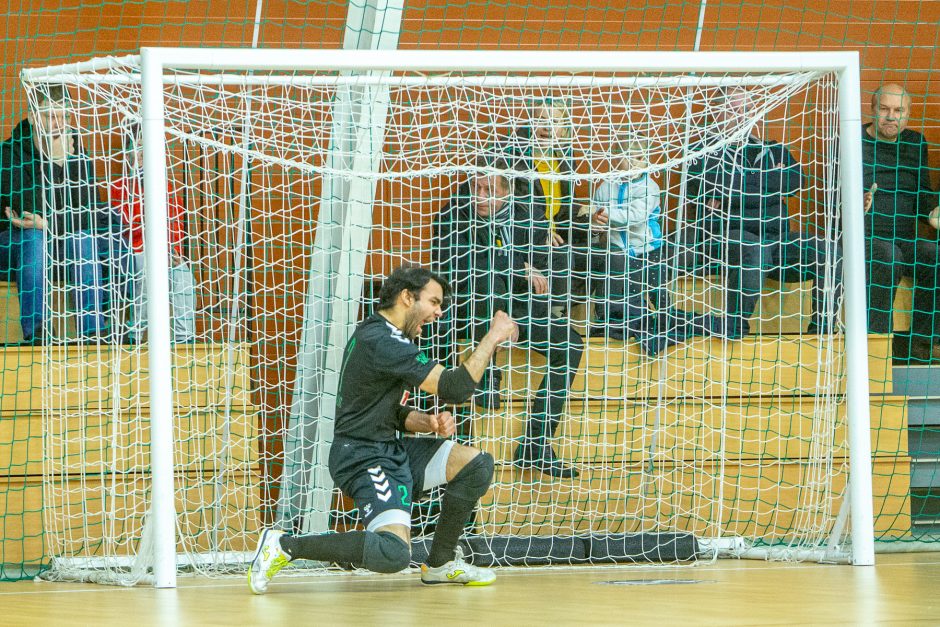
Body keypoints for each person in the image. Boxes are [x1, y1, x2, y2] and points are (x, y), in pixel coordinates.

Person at [248, 265, 517, 594]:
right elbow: (456, 388)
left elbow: (386, 411)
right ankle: (285, 545)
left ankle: (441, 563)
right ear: (407, 297)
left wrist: (426, 421)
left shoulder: (383, 335)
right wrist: (493, 335)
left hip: (391, 447)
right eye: (433, 302)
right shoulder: (383, 341)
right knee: (393, 554)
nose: (438, 312)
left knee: (476, 464)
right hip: (363, 456)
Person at [434, 163, 585, 478]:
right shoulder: (452, 216)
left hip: (519, 311)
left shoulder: (523, 217)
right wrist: (517, 266)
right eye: (476, 188)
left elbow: (544, 264)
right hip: (471, 311)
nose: (480, 196)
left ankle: (536, 442)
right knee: (489, 279)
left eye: (490, 191)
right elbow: (459, 270)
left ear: (508, 192)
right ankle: (487, 374)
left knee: (570, 343)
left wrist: (532, 263)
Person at [685, 86, 842, 338]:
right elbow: (708, 185)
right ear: (716, 113)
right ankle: (734, 327)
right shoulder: (699, 151)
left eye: (746, 110)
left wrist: (733, 193)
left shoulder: (773, 149)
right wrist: (769, 182)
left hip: (775, 241)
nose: (741, 116)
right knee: (755, 249)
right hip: (724, 242)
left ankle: (822, 331)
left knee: (828, 250)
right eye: (733, 110)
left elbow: (795, 180)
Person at [0, 84, 131, 344]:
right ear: (34, 116)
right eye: (51, 116)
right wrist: (53, 163)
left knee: (83, 237)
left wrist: (63, 163)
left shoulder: (75, 152)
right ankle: (36, 332)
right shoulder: (9, 153)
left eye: (65, 117)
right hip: (13, 244)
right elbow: (26, 208)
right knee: (32, 237)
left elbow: (88, 211)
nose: (60, 124)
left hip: (59, 240)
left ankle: (92, 330)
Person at [861, 83, 940, 362]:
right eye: (884, 109)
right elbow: (834, 197)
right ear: (872, 110)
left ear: (907, 115)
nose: (891, 116)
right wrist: (857, 203)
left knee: (935, 256)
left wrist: (934, 214)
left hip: (905, 237)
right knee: (888, 256)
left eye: (898, 110)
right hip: (865, 240)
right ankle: (877, 346)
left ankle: (918, 347)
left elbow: (923, 196)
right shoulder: (853, 138)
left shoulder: (915, 143)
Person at [588, 136, 683, 355]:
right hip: (618, 251)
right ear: (615, 159)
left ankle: (665, 319)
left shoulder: (650, 187)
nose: (633, 163)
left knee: (656, 289)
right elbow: (595, 212)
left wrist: (607, 214)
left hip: (648, 249)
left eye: (639, 158)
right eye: (627, 157)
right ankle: (607, 321)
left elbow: (636, 216)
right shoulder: (605, 186)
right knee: (618, 285)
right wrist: (595, 223)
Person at [109, 125, 196, 343]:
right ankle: (135, 336)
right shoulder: (119, 187)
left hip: (163, 253)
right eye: (138, 147)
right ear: (128, 153)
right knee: (149, 267)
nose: (142, 153)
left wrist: (173, 253)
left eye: (147, 147)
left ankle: (185, 339)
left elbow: (175, 226)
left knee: (183, 275)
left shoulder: (167, 188)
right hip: (133, 253)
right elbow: (124, 226)